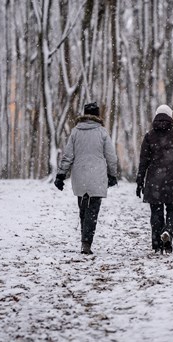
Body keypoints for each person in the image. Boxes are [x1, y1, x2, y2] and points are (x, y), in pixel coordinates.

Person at [54, 102, 118, 254]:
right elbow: (112, 157)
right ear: (97, 115)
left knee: (83, 210)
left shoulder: (76, 132)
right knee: (92, 212)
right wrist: (113, 174)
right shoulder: (102, 132)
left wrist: (60, 175)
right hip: (97, 177)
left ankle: (85, 240)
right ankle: (87, 242)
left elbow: (68, 156)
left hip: (80, 177)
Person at [136, 104, 173, 253]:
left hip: (154, 180)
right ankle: (168, 232)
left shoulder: (149, 136)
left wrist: (139, 181)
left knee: (156, 211)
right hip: (172, 179)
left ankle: (157, 243)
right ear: (170, 117)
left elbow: (144, 161)